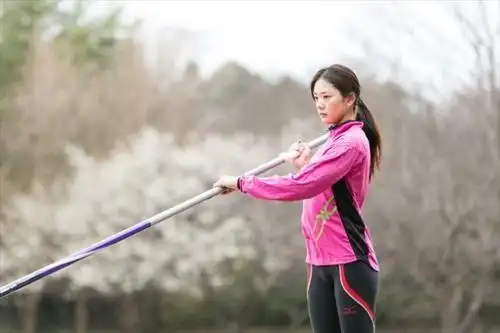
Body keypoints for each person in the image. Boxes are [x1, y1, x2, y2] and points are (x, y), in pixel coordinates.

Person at [213, 64, 382, 333]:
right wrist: (306, 166)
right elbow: (323, 187)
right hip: (318, 261)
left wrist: (242, 183)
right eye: (316, 98)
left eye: (327, 97)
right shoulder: (334, 140)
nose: (320, 105)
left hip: (348, 261)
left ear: (350, 99)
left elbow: (301, 187)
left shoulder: (350, 142)